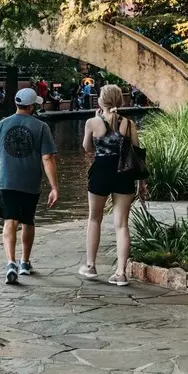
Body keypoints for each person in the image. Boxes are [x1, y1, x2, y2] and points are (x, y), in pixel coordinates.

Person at [0, 88, 58, 286]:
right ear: (32, 106)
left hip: (7, 182)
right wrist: (54, 187)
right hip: (30, 182)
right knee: (28, 221)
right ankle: (24, 263)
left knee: (10, 221)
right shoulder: (41, 127)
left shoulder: (1, 124)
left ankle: (10, 263)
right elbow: (47, 158)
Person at [78, 84, 140, 284]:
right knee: (122, 224)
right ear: (120, 101)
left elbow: (87, 148)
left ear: (100, 101)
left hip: (101, 172)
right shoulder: (129, 124)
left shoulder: (92, 122)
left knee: (94, 219)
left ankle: (90, 266)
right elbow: (138, 154)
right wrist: (143, 182)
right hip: (124, 174)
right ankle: (121, 273)